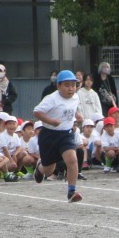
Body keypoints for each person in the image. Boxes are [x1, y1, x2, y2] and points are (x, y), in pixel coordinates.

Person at [33, 70, 84, 203]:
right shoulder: (52, 99)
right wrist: (51, 121)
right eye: (67, 85)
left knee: (72, 159)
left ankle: (71, 191)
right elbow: (37, 112)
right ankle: (39, 169)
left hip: (66, 134)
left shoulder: (76, 97)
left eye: (73, 85)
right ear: (58, 86)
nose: (71, 88)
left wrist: (77, 115)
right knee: (48, 170)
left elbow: (72, 108)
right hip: (49, 135)